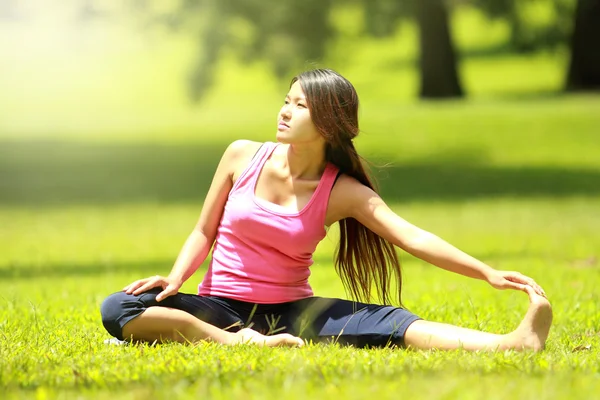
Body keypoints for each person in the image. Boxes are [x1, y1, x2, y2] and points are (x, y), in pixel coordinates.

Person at [100, 68, 552, 351]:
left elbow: (412, 237)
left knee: (393, 324)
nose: (284, 112)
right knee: (119, 308)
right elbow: (204, 230)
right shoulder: (241, 155)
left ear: (328, 122)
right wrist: (176, 279)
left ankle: (512, 344)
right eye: (286, 100)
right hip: (218, 306)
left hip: (295, 311)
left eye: (300, 106)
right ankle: (241, 344)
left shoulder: (342, 191)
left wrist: (487, 273)